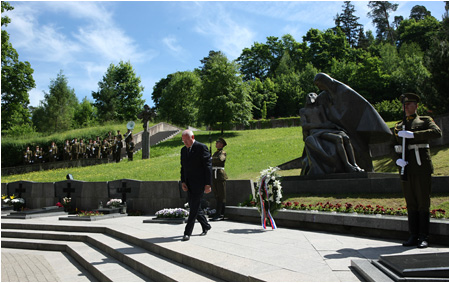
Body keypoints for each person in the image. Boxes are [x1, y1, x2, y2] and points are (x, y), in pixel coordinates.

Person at [392, 93, 442, 249]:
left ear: (416, 106)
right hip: (406, 167)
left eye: (409, 104)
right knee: (411, 202)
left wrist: (413, 135)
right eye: (404, 105)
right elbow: (393, 146)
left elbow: (437, 133)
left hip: (421, 167)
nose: (406, 107)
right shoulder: (399, 126)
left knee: (422, 202)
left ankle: (423, 237)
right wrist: (396, 160)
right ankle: (413, 235)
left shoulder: (425, 121)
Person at [300, 92, 363, 174]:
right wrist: (321, 125)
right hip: (316, 132)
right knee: (338, 138)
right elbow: (305, 125)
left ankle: (354, 164)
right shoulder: (303, 111)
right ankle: (347, 165)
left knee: (346, 138)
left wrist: (332, 126)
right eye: (309, 96)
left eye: (313, 95)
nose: (310, 96)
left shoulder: (320, 108)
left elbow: (326, 121)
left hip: (326, 129)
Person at [180, 129, 212, 241]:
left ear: (192, 138)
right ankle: (206, 225)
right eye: (183, 141)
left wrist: (208, 184)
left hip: (199, 183)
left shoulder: (201, 147)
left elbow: (208, 167)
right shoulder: (183, 150)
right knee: (195, 206)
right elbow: (183, 168)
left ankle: (187, 232)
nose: (185, 143)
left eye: (187, 140)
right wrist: (183, 181)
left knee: (193, 209)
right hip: (188, 184)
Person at [210, 138, 228, 221]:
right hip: (214, 174)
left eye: (218, 142)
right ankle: (217, 213)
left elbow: (220, 159)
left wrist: (210, 158)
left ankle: (221, 214)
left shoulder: (222, 152)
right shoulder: (216, 152)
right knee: (217, 195)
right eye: (216, 142)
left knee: (221, 195)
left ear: (222, 144)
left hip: (220, 175)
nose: (216, 143)